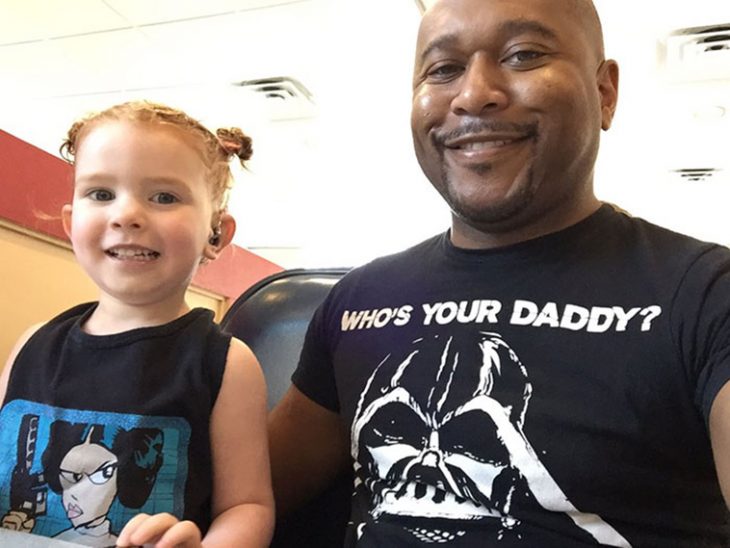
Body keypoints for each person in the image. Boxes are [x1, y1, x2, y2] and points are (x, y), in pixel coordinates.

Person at [267, 0, 730, 546]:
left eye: (523, 55)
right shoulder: (358, 301)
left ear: (604, 92)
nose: (473, 93)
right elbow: (241, 498)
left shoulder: (706, 293)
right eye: (443, 69)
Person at [0, 101, 274, 547]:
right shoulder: (32, 344)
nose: (126, 215)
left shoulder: (226, 363)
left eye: (164, 197)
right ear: (71, 224)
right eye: (101, 194)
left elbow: (247, 507)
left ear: (215, 234)